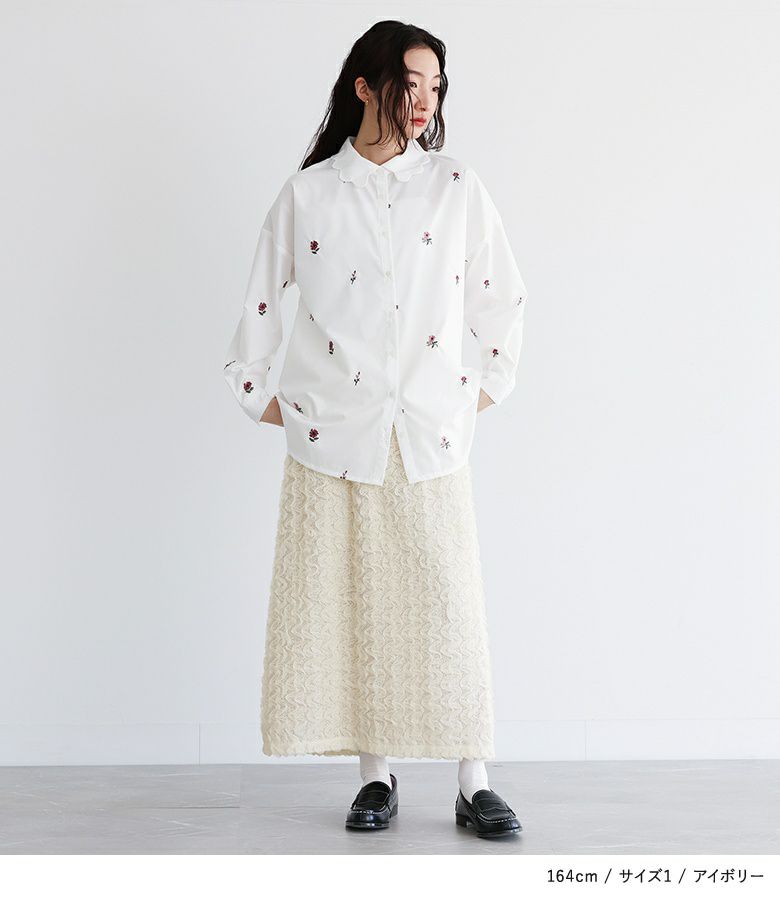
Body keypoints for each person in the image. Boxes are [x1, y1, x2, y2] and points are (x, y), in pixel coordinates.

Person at [223, 20, 527, 839]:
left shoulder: (456, 186)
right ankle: (375, 776)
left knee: (449, 606)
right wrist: (268, 400)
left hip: (429, 439)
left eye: (436, 87)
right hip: (337, 443)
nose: (425, 101)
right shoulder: (309, 194)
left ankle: (473, 779)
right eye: (410, 83)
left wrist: (471, 395)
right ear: (365, 85)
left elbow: (503, 301)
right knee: (356, 606)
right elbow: (259, 307)